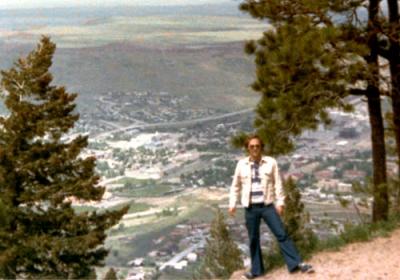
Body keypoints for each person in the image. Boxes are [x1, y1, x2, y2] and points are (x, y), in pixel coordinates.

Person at [228, 135, 313, 279]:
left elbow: (278, 183)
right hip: (250, 207)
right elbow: (235, 186)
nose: (255, 148)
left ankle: (297, 264)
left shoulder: (270, 162)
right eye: (251, 146)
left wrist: (280, 202)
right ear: (248, 148)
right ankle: (256, 271)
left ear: (261, 147)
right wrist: (232, 204)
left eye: (257, 146)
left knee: (281, 233)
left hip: (267, 205)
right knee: (253, 238)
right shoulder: (241, 164)